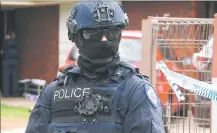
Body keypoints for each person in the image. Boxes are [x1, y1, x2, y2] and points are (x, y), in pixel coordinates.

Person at [25, 0, 166, 133]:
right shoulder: (54, 92)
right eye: (93, 34)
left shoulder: (136, 91)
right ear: (76, 37)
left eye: (111, 32)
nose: (104, 39)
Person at [2, 31, 19, 97]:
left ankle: (6, 94)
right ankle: (14, 93)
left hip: (7, 62)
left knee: (6, 78)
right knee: (14, 78)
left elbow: (3, 50)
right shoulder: (16, 43)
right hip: (15, 62)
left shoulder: (6, 42)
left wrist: (6, 39)